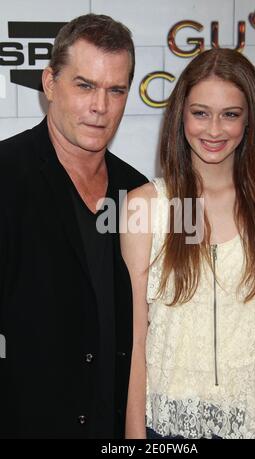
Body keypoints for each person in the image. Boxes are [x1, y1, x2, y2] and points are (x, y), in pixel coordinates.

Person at [121, 48, 255, 439]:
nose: (214, 130)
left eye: (230, 115)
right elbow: (134, 341)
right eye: (200, 113)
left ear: (250, 118)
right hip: (169, 423)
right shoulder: (146, 207)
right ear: (181, 115)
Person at [0, 14, 147, 438]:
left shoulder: (137, 193)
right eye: (84, 86)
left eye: (115, 90)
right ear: (49, 84)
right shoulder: (6, 177)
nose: (100, 107)